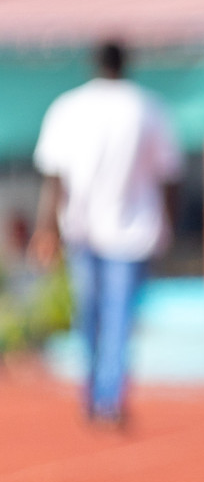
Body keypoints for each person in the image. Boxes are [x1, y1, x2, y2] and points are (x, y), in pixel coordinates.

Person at [28, 41, 182, 427]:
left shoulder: (69, 107)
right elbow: (170, 175)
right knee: (117, 317)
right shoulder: (148, 108)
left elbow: (53, 175)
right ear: (127, 64)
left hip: (82, 227)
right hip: (133, 231)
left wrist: (46, 227)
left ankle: (97, 393)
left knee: (90, 315)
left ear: (94, 64)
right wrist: (169, 221)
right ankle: (108, 397)